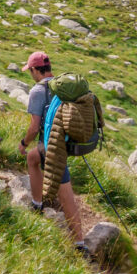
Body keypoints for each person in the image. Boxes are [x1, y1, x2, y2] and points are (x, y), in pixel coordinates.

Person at [19, 51, 90, 247]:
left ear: (35, 70)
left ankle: (79, 243)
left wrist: (23, 143)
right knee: (33, 158)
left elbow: (34, 127)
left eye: (30, 71)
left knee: (64, 192)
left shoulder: (38, 91)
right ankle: (37, 204)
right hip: (65, 139)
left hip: (52, 144)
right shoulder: (62, 86)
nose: (30, 74)